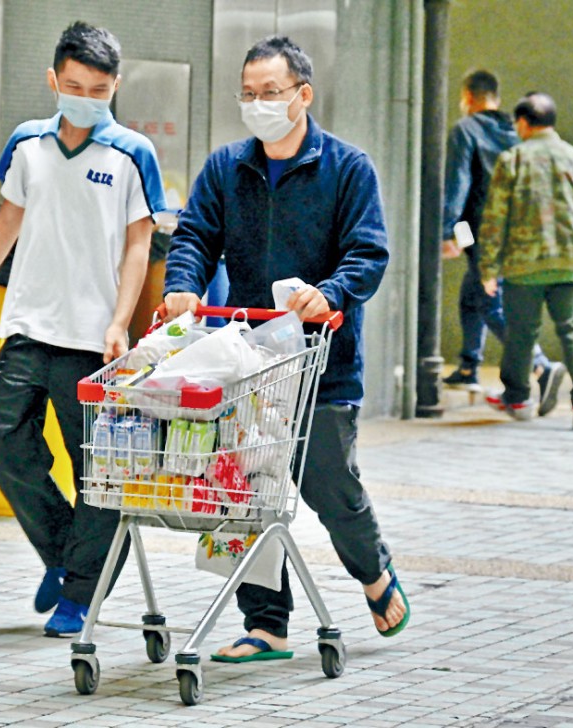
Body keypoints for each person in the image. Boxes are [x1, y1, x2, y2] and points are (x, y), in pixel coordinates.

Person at [163, 35, 408, 663]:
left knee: (329, 484)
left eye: (270, 93)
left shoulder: (347, 169)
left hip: (323, 362)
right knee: (243, 490)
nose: (257, 104)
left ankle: (374, 573)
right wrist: (183, 288)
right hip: (251, 363)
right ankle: (266, 625)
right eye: (248, 94)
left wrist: (333, 292)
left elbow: (368, 253)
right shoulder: (227, 168)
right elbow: (194, 235)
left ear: (303, 95)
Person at [0, 21, 167, 636]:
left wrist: (121, 322)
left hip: (93, 342)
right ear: (53, 79)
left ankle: (77, 594)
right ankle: (67, 555)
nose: (84, 97)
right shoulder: (27, 144)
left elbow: (138, 245)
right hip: (26, 326)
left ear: (115, 86)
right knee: (3, 446)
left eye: (98, 88)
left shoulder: (132, 153)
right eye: (73, 85)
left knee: (94, 469)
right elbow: (8, 219)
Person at [479, 92, 573, 431]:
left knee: (522, 332)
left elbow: (494, 220)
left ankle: (519, 399)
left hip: (524, 266)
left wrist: (488, 269)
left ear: (523, 122)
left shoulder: (512, 160)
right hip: (570, 263)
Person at [441, 69, 565, 415]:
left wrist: (447, 231)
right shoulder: (516, 131)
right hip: (515, 230)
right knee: (472, 296)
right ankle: (469, 366)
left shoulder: (465, 129)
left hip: (479, 229)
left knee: (488, 302)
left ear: (468, 97)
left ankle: (540, 365)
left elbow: (459, 185)